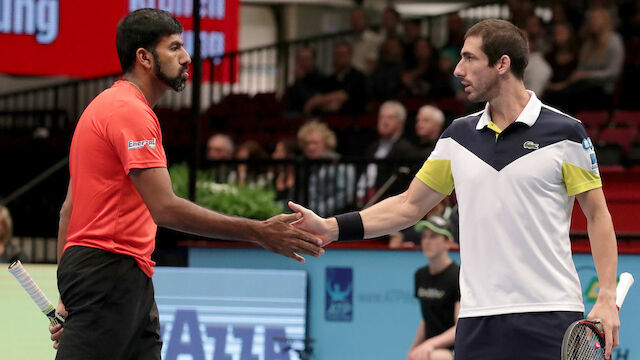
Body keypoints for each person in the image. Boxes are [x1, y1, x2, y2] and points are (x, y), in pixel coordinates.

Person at [289, 19, 620, 360]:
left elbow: (597, 215)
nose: (458, 69)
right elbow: (407, 206)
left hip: (549, 313)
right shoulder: (456, 138)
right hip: (477, 320)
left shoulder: (565, 133)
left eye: (469, 58)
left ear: (502, 64)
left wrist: (606, 295)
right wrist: (333, 227)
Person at [49, 9, 323, 359]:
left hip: (117, 275)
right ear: (144, 57)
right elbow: (164, 208)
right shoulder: (129, 112)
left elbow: (67, 211)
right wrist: (258, 232)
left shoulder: (101, 107)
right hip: (109, 272)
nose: (186, 57)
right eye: (175, 47)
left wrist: (67, 292)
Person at [407, 216, 459, 360]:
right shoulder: (420, 275)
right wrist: (412, 350)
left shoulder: (458, 276)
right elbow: (426, 320)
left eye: (434, 236)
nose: (427, 241)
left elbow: (459, 328)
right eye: (424, 236)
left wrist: (430, 345)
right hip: (431, 348)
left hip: (455, 349)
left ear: (448, 242)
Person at [357, 101, 418, 204]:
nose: (384, 121)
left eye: (390, 118)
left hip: (388, 203)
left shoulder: (406, 149)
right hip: (364, 200)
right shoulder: (372, 147)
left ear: (401, 122)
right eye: (381, 117)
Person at [297, 121, 356, 217]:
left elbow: (344, 196)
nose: (311, 147)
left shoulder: (341, 166)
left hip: (335, 218)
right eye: (307, 143)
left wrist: (317, 212)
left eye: (315, 143)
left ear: (326, 143)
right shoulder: (305, 166)